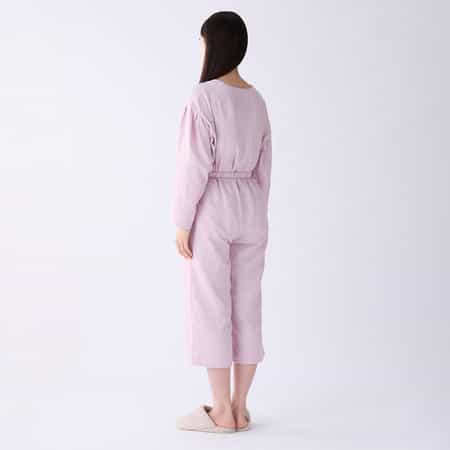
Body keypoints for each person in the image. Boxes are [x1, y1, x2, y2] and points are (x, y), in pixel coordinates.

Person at [172, 11, 272, 433]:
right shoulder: (257, 99)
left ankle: (219, 411)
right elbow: (265, 167)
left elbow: (193, 165)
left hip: (213, 205)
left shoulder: (203, 96)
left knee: (211, 304)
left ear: (214, 44)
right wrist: (258, 211)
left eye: (202, 42)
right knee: (247, 305)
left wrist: (182, 220)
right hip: (251, 205)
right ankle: (241, 407)